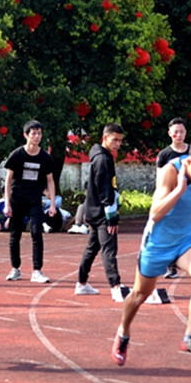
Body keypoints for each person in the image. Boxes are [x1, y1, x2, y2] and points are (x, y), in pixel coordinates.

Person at [113, 136, 191, 365]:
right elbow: (155, 213)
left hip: (187, 239)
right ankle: (123, 333)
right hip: (158, 241)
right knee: (140, 294)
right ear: (189, 163)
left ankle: (189, 335)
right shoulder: (170, 172)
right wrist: (181, 189)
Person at [74, 123, 128, 300]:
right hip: (103, 213)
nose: (118, 144)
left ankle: (81, 283)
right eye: (115, 140)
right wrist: (112, 218)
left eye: (120, 141)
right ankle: (115, 287)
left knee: (92, 248)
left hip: (93, 210)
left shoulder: (100, 156)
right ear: (105, 138)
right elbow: (106, 191)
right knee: (109, 248)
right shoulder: (103, 160)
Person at [3, 120, 57, 284]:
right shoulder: (17, 154)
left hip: (35, 199)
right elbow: (8, 179)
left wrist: (53, 203)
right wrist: (7, 202)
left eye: (39, 133)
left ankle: (37, 270)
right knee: (15, 234)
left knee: (36, 233)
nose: (36, 136)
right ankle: (15, 269)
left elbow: (50, 180)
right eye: (33, 133)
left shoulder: (45, 157)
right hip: (17, 198)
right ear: (26, 135)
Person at [156, 118, 190, 280]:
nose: (178, 135)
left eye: (181, 131)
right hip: (171, 197)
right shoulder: (164, 155)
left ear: (185, 133)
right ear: (169, 133)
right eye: (175, 132)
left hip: (189, 197)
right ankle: (171, 267)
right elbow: (159, 179)